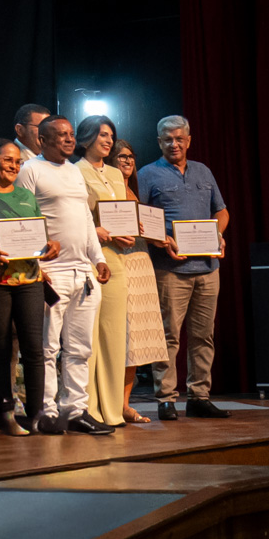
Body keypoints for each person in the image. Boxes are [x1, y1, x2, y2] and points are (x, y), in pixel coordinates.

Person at [16, 115, 113, 436]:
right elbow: (21, 216)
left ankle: (76, 410)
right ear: (42, 141)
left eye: (71, 134)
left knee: (80, 347)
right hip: (51, 272)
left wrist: (97, 258)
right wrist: (37, 263)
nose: (69, 140)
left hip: (82, 272)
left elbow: (85, 217)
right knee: (47, 348)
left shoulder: (73, 171)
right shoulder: (31, 170)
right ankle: (47, 411)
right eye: (60, 135)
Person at [137, 115, 232, 420]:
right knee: (169, 335)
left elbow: (221, 211)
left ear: (189, 140)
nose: (174, 144)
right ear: (159, 142)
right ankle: (166, 398)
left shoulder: (203, 171)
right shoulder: (148, 174)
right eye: (168, 139)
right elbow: (139, 220)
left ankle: (199, 396)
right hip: (170, 269)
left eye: (179, 138)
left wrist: (218, 233)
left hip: (207, 267)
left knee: (204, 335)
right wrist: (162, 239)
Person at [0, 140, 61, 437]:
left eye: (17, 161)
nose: (14, 166)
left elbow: (40, 235)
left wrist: (50, 247)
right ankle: (5, 412)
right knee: (1, 348)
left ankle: (37, 415)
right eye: (7, 160)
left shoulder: (26, 195)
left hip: (30, 281)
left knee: (33, 348)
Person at [75, 115, 136, 428]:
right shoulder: (75, 172)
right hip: (90, 257)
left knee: (114, 336)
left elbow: (125, 214)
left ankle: (112, 409)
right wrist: (99, 231)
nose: (109, 140)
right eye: (102, 134)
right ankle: (90, 408)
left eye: (111, 135)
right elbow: (78, 216)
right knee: (90, 336)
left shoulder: (115, 172)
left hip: (116, 258)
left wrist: (131, 230)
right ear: (86, 137)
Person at [113, 139, 168, 424]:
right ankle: (110, 404)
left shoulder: (134, 191)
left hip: (141, 262)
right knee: (119, 338)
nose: (127, 161)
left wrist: (162, 237)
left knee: (135, 343)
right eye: (120, 156)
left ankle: (124, 404)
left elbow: (147, 230)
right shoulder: (106, 189)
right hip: (120, 264)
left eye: (131, 156)